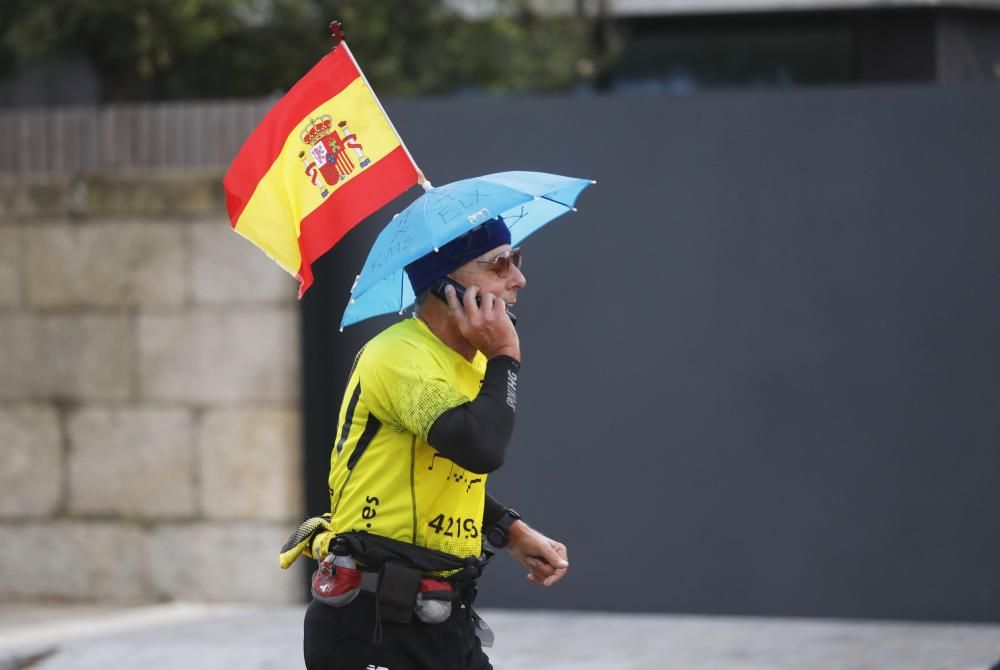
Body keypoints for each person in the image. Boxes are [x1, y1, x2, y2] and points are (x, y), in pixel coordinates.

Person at [300, 216, 569, 670]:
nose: (519, 279)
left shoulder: (469, 362)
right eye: (500, 264)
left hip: (443, 614)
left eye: (516, 260)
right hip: (372, 622)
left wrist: (509, 530)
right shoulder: (398, 356)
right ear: (446, 285)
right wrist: (505, 356)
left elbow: (439, 473)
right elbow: (480, 448)